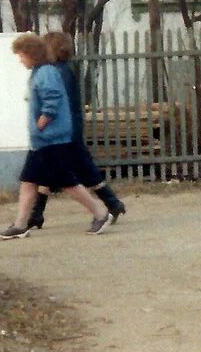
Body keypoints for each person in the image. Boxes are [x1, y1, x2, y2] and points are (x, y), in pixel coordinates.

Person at [0, 33, 112, 239]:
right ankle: (20, 224)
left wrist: (42, 122)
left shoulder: (46, 73)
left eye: (22, 55)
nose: (20, 60)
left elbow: (53, 99)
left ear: (32, 54)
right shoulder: (40, 72)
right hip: (43, 141)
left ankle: (100, 212)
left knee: (68, 183)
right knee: (28, 181)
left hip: (51, 140)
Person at [24, 31, 127, 230]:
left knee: (78, 171)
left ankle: (110, 205)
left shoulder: (58, 72)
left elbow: (58, 104)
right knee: (53, 171)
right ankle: (36, 214)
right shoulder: (59, 70)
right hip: (66, 130)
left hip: (65, 132)